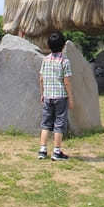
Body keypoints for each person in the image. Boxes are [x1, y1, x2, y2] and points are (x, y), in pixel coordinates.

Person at [38, 31, 73, 161]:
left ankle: (42, 150)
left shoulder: (45, 60)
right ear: (63, 45)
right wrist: (71, 98)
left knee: (45, 123)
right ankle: (57, 152)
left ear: (49, 46)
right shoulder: (65, 61)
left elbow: (41, 78)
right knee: (59, 124)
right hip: (61, 97)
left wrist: (42, 94)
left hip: (47, 96)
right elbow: (67, 81)